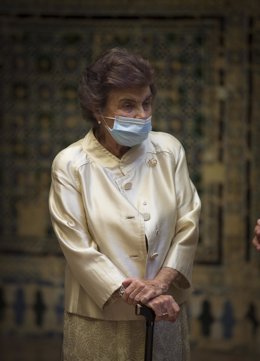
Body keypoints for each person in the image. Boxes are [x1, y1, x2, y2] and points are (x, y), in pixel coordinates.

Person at [49, 47, 201, 361]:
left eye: (146, 103)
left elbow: (189, 221)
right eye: (128, 106)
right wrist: (132, 292)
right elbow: (78, 246)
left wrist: (160, 285)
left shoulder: (169, 150)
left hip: (165, 310)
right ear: (96, 108)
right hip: (99, 317)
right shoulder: (70, 164)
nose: (142, 115)